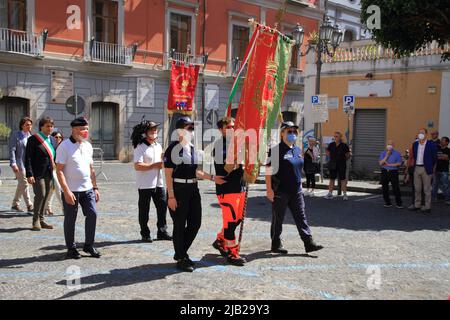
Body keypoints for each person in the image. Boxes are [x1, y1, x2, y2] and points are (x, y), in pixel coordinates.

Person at [164, 116, 225, 272]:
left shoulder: (191, 148)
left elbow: (196, 171)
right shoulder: (172, 149)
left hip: (193, 189)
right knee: (179, 224)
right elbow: (168, 174)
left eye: (192, 128)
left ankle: (180, 252)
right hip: (178, 189)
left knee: (195, 223)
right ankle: (182, 257)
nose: (190, 130)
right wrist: (170, 196)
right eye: (187, 127)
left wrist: (212, 178)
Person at [265, 121, 323, 255]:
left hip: (296, 191)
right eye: (289, 131)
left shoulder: (297, 150)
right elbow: (268, 171)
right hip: (280, 191)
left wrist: (300, 184)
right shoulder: (275, 151)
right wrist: (269, 190)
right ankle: (276, 243)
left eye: (294, 132)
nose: (292, 134)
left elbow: (297, 168)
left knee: (301, 217)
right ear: (282, 133)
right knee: (278, 218)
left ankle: (309, 243)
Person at [56, 117, 101, 259]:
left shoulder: (87, 145)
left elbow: (91, 168)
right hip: (71, 190)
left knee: (92, 214)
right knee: (70, 219)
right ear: (74, 130)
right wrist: (66, 191)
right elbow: (60, 171)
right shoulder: (64, 146)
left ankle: (89, 245)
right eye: (83, 129)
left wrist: (95, 187)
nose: (86, 131)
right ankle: (71, 248)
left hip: (87, 189)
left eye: (87, 129)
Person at [212, 116, 247, 266]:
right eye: (228, 127)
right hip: (227, 189)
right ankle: (232, 253)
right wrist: (239, 160)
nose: (232, 129)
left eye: (233, 126)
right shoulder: (220, 146)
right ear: (221, 130)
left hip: (239, 187)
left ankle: (220, 240)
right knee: (230, 223)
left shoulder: (238, 143)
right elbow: (224, 170)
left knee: (237, 219)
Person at [132, 120, 172, 242]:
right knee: (144, 210)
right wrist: (154, 165)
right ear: (145, 132)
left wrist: (165, 159)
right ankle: (145, 232)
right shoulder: (140, 147)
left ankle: (162, 231)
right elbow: (137, 166)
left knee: (162, 207)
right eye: (151, 130)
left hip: (159, 183)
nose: (154, 132)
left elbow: (162, 162)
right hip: (145, 184)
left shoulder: (158, 145)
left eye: (155, 129)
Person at [24, 116, 57, 231]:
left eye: (51, 126)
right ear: (41, 127)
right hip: (37, 173)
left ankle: (42, 219)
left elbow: (54, 156)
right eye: (47, 126)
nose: (50, 128)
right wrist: (29, 174)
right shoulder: (33, 139)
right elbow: (27, 158)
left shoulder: (53, 140)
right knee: (40, 195)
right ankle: (35, 220)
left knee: (47, 195)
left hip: (49, 172)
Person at [409, 128, 438, 213]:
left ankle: (427, 207)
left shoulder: (431, 144)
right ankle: (417, 205)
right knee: (417, 188)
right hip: (417, 168)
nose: (420, 134)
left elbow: (434, 158)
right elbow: (414, 156)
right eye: (419, 133)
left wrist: (431, 167)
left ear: (426, 134)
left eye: (422, 133)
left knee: (427, 189)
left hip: (426, 168)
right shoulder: (415, 144)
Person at [9, 117, 34, 214]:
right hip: (19, 164)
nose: (29, 126)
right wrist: (13, 163)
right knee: (25, 183)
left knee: (21, 184)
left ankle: (15, 204)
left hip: (27, 164)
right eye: (27, 124)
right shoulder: (16, 135)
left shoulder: (30, 136)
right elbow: (12, 149)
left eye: (30, 124)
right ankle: (29, 205)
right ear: (22, 125)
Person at [325, 132, 351, 200]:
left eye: (336, 136)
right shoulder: (331, 144)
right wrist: (331, 157)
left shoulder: (344, 145)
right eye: (334, 136)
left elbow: (348, 155)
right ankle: (330, 193)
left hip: (341, 164)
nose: (335, 138)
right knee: (331, 179)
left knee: (343, 179)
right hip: (333, 164)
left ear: (340, 138)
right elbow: (327, 152)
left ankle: (345, 194)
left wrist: (343, 159)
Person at [379, 140, 403, 208]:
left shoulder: (397, 153)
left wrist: (389, 164)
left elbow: (399, 163)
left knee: (396, 188)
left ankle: (399, 203)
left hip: (393, 172)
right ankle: (387, 202)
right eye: (388, 144)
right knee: (384, 188)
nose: (389, 145)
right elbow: (381, 163)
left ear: (393, 146)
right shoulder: (383, 153)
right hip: (385, 171)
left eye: (391, 144)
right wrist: (387, 155)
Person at [45, 131, 64, 216]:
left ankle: (46, 208)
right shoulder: (51, 147)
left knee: (51, 190)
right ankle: (65, 207)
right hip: (52, 171)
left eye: (60, 137)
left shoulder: (63, 147)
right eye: (56, 137)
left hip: (59, 171)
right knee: (58, 189)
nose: (58, 139)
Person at [432, 136, 450, 205]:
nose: (441, 141)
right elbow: (435, 157)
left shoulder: (448, 150)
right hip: (436, 170)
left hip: (444, 170)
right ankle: (434, 198)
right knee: (434, 185)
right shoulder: (437, 149)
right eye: (441, 140)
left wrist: (440, 157)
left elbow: (446, 158)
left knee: (445, 185)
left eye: (443, 140)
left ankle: (448, 199)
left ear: (447, 142)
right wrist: (441, 156)